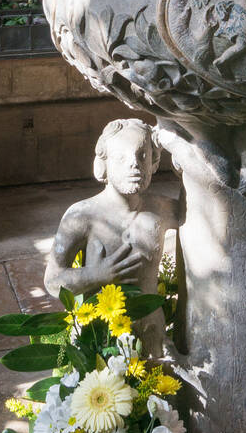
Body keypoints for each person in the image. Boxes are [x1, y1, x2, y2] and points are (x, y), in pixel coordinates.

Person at [44, 119, 178, 354]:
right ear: (103, 164)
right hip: (101, 337)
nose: (134, 164)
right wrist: (96, 275)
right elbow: (53, 281)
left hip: (151, 333)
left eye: (143, 156)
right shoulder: (82, 216)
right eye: (121, 157)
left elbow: (206, 219)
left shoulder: (162, 210)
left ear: (155, 162)